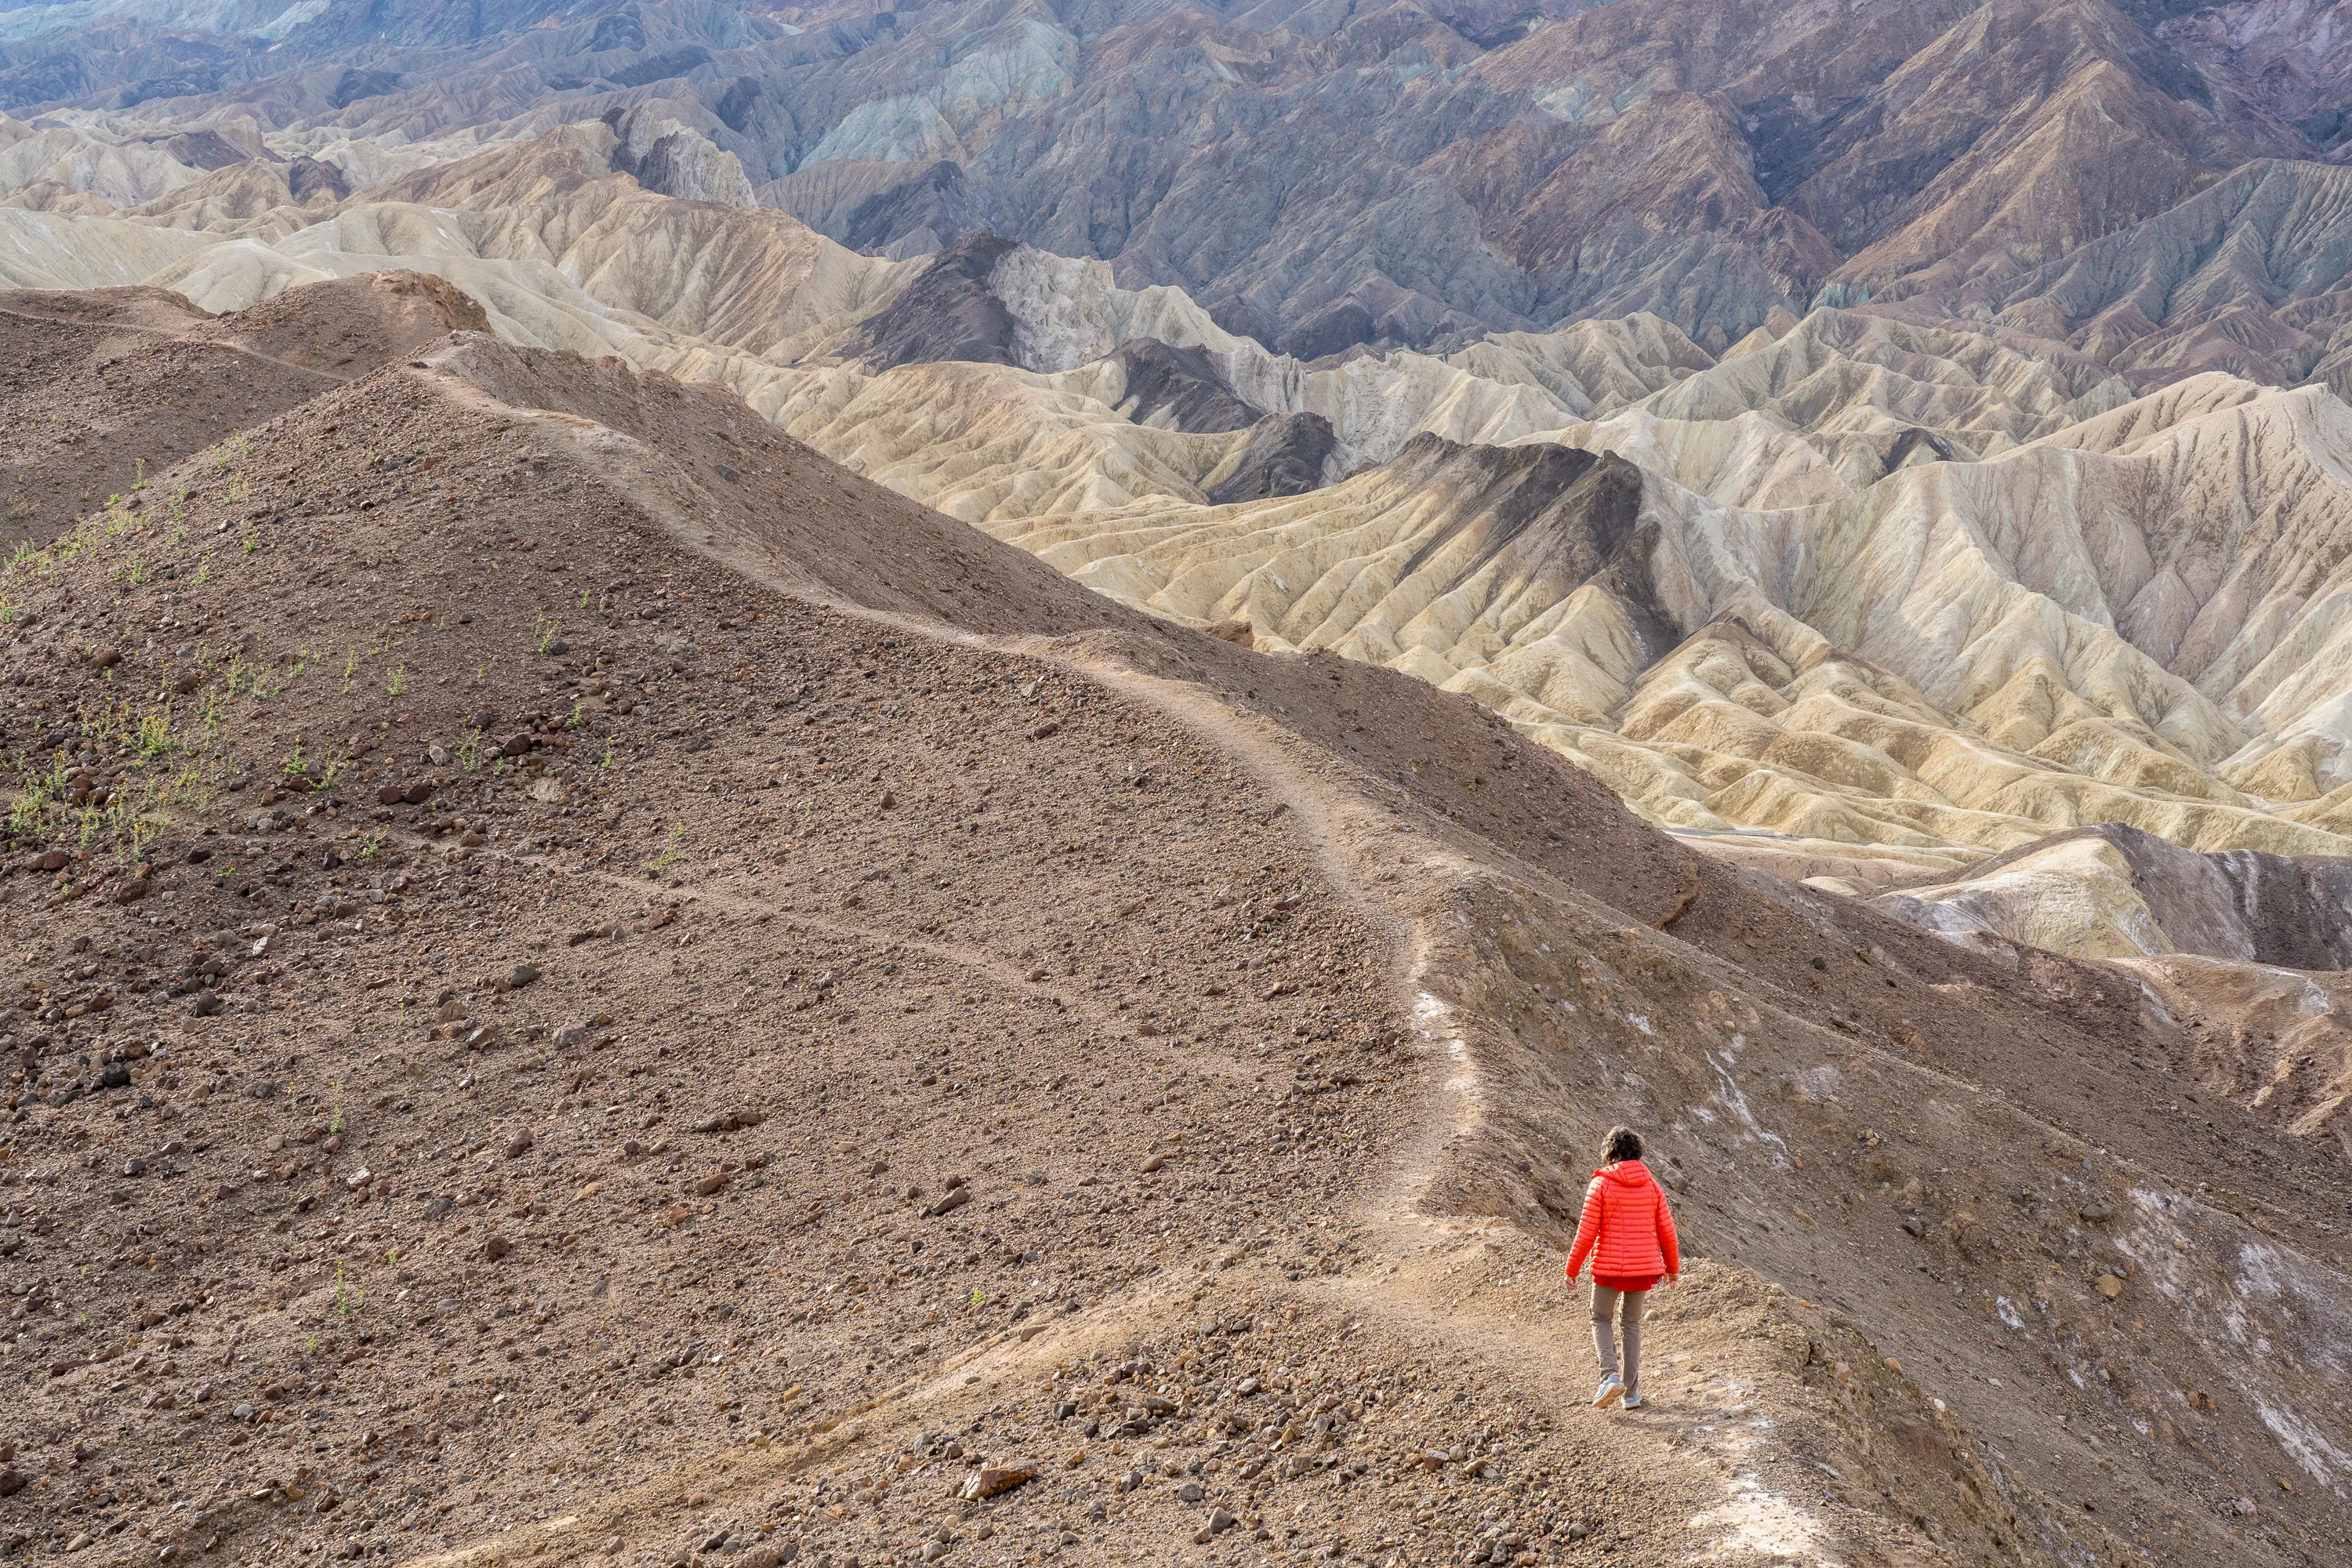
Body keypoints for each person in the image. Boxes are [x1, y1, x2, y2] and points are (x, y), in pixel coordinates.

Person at [1563, 1125, 1679, 1409]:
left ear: (1609, 1154)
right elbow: (1667, 1231)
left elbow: (1586, 1232)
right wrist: (1672, 1268)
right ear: (1637, 1153)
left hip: (1608, 1269)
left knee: (1600, 1318)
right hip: (1644, 1269)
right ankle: (1631, 1394)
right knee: (1632, 1324)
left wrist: (1572, 1268)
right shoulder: (1652, 1186)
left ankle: (1609, 1377)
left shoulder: (1601, 1184)